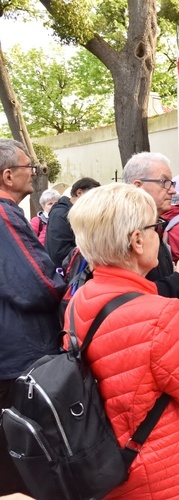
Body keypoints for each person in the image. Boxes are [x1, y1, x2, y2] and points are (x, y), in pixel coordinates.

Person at [64, 183, 179, 498]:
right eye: (156, 226)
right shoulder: (159, 316)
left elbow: (135, 363)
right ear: (136, 240)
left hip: (116, 467)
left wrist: (178, 314)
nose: (162, 234)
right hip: (170, 474)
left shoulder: (82, 299)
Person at [0, 139, 67, 495]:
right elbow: (37, 285)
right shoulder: (3, 214)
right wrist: (66, 282)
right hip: (18, 360)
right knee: (26, 460)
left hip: (11, 355)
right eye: (30, 167)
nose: (36, 172)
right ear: (8, 176)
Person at [123, 152, 179, 299]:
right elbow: (135, 297)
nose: (173, 190)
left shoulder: (154, 225)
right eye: (164, 182)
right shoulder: (122, 233)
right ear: (138, 186)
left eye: (171, 183)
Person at [45, 176, 101, 268]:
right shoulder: (60, 214)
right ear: (79, 193)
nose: (95, 202)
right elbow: (59, 251)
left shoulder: (78, 213)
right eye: (93, 197)